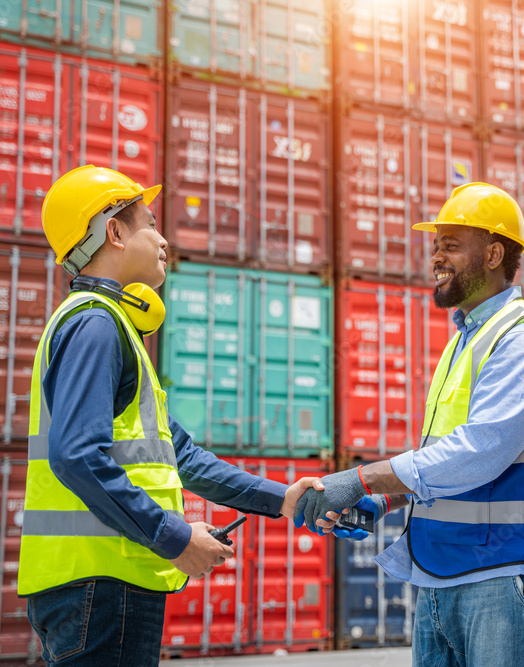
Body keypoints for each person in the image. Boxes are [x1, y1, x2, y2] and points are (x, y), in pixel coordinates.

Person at [18, 165, 329, 666]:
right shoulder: (96, 325)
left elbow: (182, 456)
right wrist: (174, 536)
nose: (163, 239)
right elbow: (75, 455)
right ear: (114, 232)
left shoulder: (114, 328)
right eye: (150, 225)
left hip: (104, 584)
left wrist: (282, 501)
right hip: (102, 586)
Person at [295, 182, 524, 666]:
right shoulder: (464, 342)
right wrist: (385, 498)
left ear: (492, 254)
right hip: (442, 573)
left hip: (505, 575)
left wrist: (360, 477)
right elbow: (448, 462)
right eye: (435, 247)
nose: (436, 258)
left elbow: (482, 449)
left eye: (450, 245)